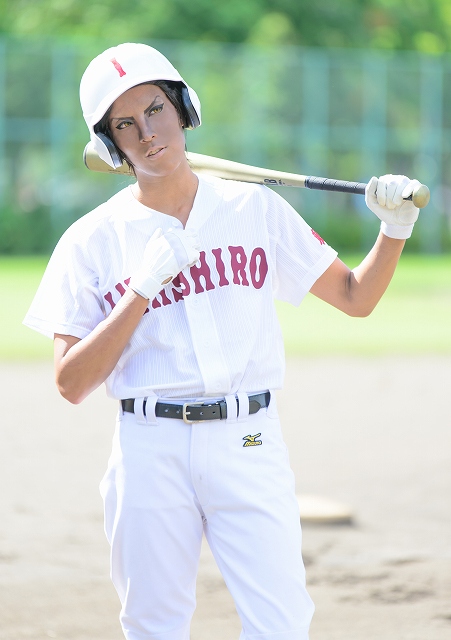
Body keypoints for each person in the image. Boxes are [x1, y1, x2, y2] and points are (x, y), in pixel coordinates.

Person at [23, 43, 422, 640]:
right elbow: (70, 382)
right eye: (123, 125)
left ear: (185, 107)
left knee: (282, 625)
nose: (146, 133)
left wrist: (394, 228)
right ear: (109, 146)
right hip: (149, 447)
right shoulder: (92, 241)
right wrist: (141, 289)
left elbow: (355, 298)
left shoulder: (253, 208)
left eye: (155, 110)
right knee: (154, 627)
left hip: (248, 438)